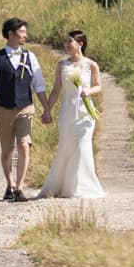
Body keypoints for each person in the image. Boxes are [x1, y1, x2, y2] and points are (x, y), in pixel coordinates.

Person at [0, 17, 50, 201]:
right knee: (7, 150)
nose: (25, 36)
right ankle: (10, 184)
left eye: (25, 32)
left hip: (25, 107)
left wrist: (46, 108)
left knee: (23, 146)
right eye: (21, 32)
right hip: (3, 109)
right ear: (10, 34)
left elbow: (39, 85)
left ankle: (20, 188)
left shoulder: (30, 57)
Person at [38, 29, 106, 200]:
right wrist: (47, 109)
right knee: (67, 147)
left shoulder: (91, 65)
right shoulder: (62, 65)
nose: (67, 45)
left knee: (83, 147)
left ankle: (82, 187)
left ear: (80, 44)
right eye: (66, 42)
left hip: (85, 114)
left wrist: (88, 91)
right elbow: (55, 90)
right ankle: (64, 185)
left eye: (70, 42)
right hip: (67, 112)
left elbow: (99, 86)